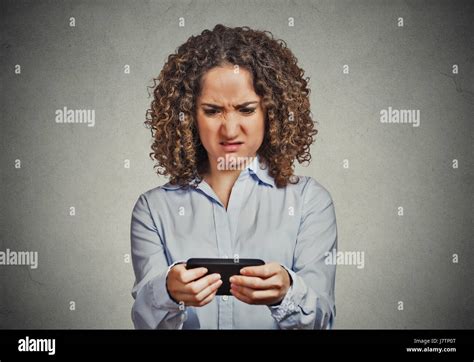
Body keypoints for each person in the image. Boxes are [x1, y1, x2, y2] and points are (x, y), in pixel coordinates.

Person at [130, 24, 338, 329]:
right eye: (213, 111)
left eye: (246, 109)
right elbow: (146, 324)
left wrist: (287, 292)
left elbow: (322, 321)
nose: (229, 130)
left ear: (272, 111)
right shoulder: (153, 209)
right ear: (188, 115)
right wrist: (167, 292)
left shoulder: (309, 201)